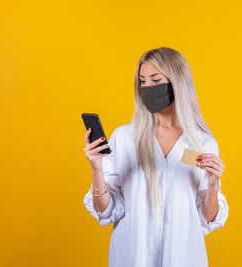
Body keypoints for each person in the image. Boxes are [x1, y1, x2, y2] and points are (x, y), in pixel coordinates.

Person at [83, 47, 229, 267]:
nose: (147, 88)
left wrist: (213, 185)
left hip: (183, 258)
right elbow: (105, 210)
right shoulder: (125, 138)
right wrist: (96, 168)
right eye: (142, 82)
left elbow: (206, 219)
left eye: (155, 80)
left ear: (177, 82)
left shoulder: (202, 144)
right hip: (133, 258)